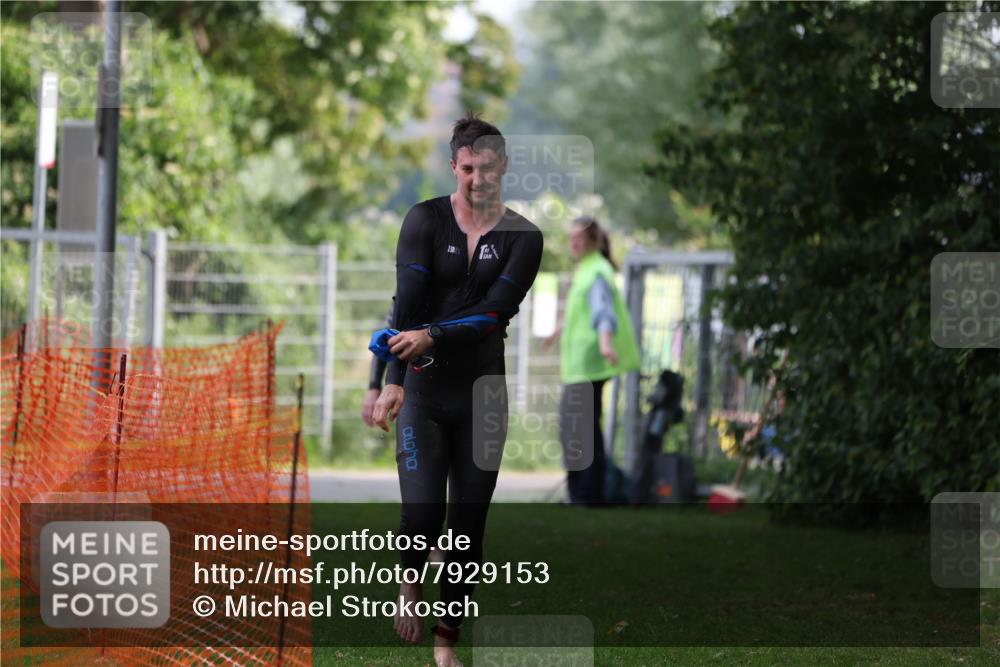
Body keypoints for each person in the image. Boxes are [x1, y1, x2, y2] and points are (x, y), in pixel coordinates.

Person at [371, 113, 543, 667]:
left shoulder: (525, 237)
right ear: (454, 166)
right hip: (423, 390)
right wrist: (389, 384)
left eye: (488, 168)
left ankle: (446, 649)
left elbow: (495, 314)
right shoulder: (423, 220)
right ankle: (409, 585)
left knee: (468, 527)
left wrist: (432, 336)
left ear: (504, 167)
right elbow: (407, 308)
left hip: (483, 395)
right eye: (468, 168)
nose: (478, 179)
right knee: (422, 517)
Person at [543, 216, 640, 506]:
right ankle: (585, 495)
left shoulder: (597, 270)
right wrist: (557, 330)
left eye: (580, 237)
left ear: (595, 241)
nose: (573, 242)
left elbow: (603, 313)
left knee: (579, 431)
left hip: (589, 365)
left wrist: (606, 343)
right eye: (571, 236)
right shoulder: (587, 268)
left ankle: (586, 496)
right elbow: (578, 308)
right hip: (579, 366)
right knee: (580, 429)